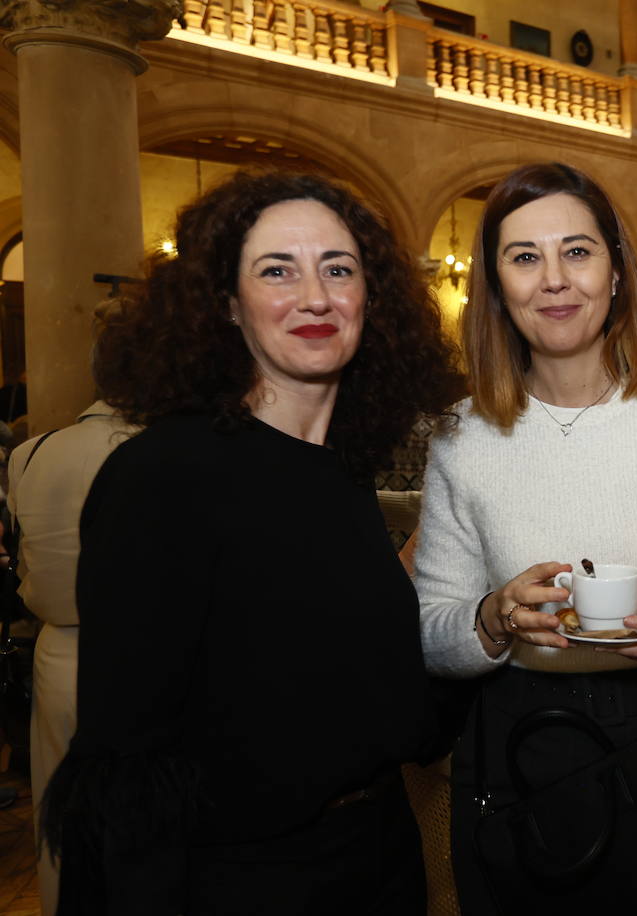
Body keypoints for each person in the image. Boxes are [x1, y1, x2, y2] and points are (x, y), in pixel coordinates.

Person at [42, 171, 464, 916]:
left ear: (374, 300)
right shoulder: (163, 476)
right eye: (278, 270)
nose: (316, 296)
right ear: (227, 305)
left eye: (339, 269)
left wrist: (487, 621)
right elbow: (129, 772)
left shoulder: (341, 473)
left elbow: (370, 697)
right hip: (239, 882)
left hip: (377, 861)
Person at [413, 162, 637, 916]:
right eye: (524, 257)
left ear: (616, 272)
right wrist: (491, 618)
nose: (554, 279)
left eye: (577, 251)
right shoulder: (462, 434)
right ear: (496, 286)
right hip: (518, 744)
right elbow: (430, 629)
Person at [7, 372, 138, 916]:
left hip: (55, 652)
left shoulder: (29, 453)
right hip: (135, 652)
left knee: (59, 811)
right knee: (133, 815)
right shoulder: (151, 452)